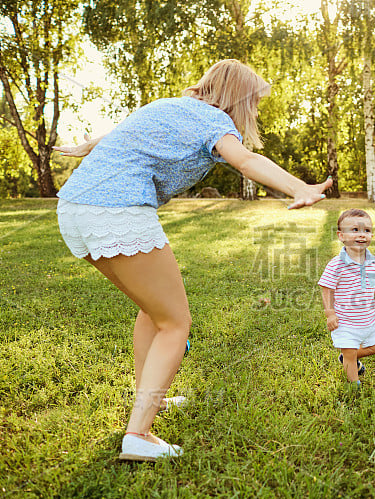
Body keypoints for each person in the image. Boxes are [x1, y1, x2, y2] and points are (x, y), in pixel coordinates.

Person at [55, 59, 332, 462]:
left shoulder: (168, 106)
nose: (254, 110)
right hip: (117, 212)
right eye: (253, 101)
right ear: (238, 97)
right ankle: (138, 434)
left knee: (153, 311)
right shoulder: (212, 123)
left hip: (75, 209)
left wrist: (86, 146)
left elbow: (123, 136)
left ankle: (151, 398)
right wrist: (299, 187)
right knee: (175, 322)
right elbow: (247, 161)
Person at [318, 209, 375, 384]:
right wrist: (330, 313)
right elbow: (327, 289)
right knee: (350, 354)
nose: (362, 235)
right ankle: (354, 385)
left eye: (366, 231)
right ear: (341, 236)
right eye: (355, 230)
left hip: (369, 319)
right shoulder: (336, 265)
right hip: (345, 322)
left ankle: (348, 356)